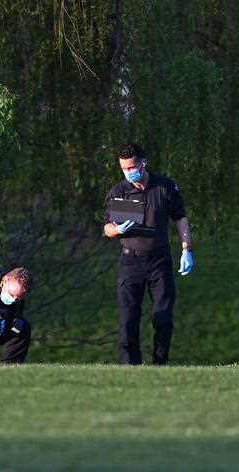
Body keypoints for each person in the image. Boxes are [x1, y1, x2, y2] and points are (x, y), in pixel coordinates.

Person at [103, 143, 194, 365]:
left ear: (143, 163)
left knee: (162, 318)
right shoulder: (119, 191)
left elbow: (180, 217)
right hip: (130, 260)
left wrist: (186, 249)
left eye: (132, 167)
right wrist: (117, 230)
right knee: (128, 320)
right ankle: (129, 368)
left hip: (159, 260)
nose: (128, 172)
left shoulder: (165, 187)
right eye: (124, 169)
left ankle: (160, 364)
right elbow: (106, 228)